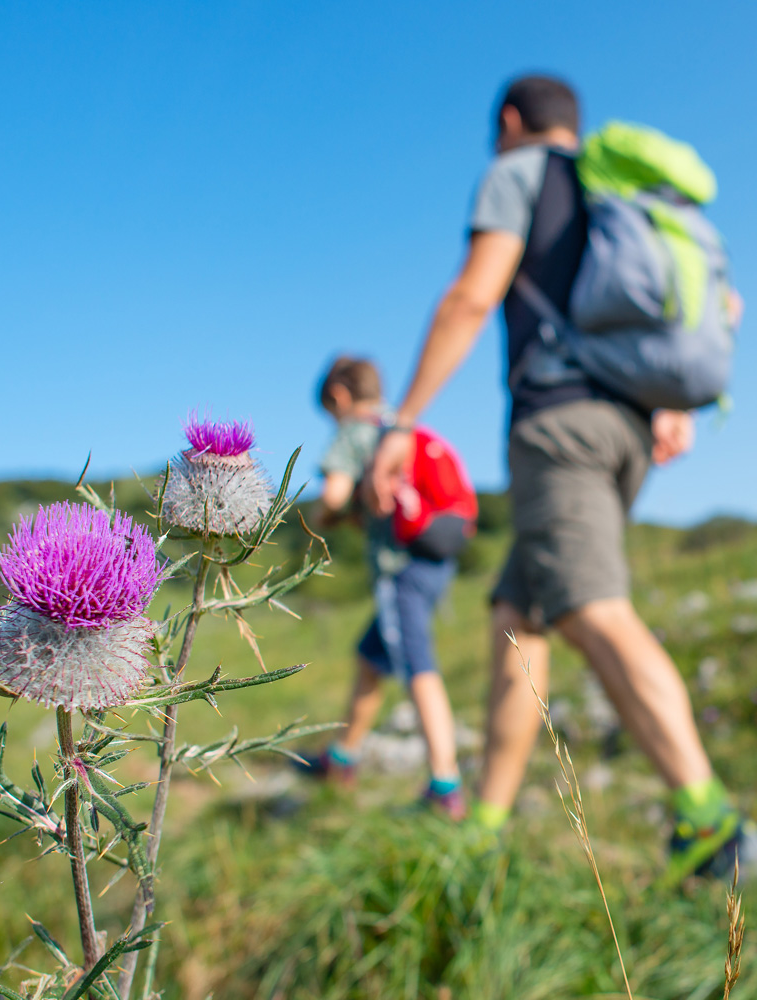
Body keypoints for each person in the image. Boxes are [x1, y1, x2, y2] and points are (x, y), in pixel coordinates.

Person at [368, 75, 753, 882]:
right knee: (520, 616)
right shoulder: (627, 198)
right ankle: (487, 825)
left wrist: (403, 421)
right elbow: (725, 306)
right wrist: (670, 401)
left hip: (560, 429)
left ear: (511, 121)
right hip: (627, 430)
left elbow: (474, 295)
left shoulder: (521, 173)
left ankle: (711, 825)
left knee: (591, 609)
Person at [300, 355, 467, 820]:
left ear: (338, 397)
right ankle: (342, 758)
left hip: (400, 567)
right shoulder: (401, 425)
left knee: (417, 664)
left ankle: (445, 786)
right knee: (371, 657)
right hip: (436, 559)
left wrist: (324, 516)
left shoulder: (355, 431)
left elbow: (332, 497)